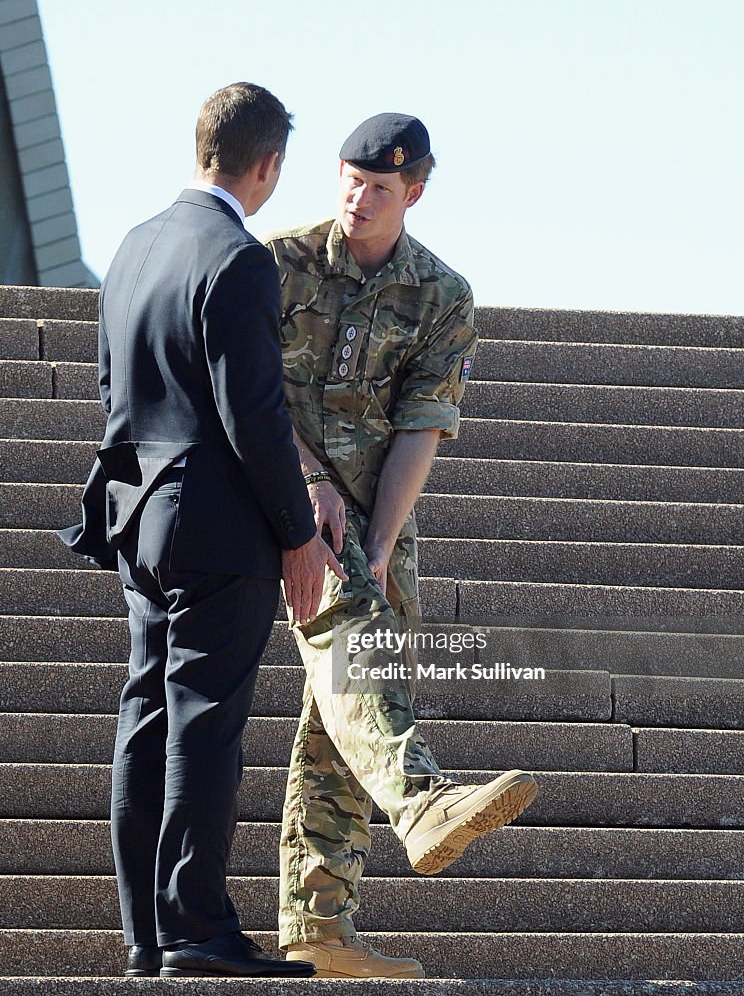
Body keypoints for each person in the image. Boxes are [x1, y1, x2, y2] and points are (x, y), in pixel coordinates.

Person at [60, 83, 345, 979]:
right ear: (268, 166)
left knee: (145, 719)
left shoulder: (135, 248)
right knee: (205, 729)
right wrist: (301, 537)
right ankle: (196, 927)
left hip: (139, 515)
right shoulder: (239, 259)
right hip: (218, 531)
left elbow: (114, 393)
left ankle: (147, 933)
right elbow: (255, 417)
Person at [263, 113, 539, 979]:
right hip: (272, 492)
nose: (358, 195)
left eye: (380, 186)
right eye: (349, 177)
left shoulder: (441, 294)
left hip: (376, 511)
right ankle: (420, 801)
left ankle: (318, 924)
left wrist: (381, 542)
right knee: (357, 663)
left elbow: (423, 423)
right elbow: (247, 392)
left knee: (339, 710)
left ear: (414, 192)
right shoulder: (277, 264)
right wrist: (305, 490)